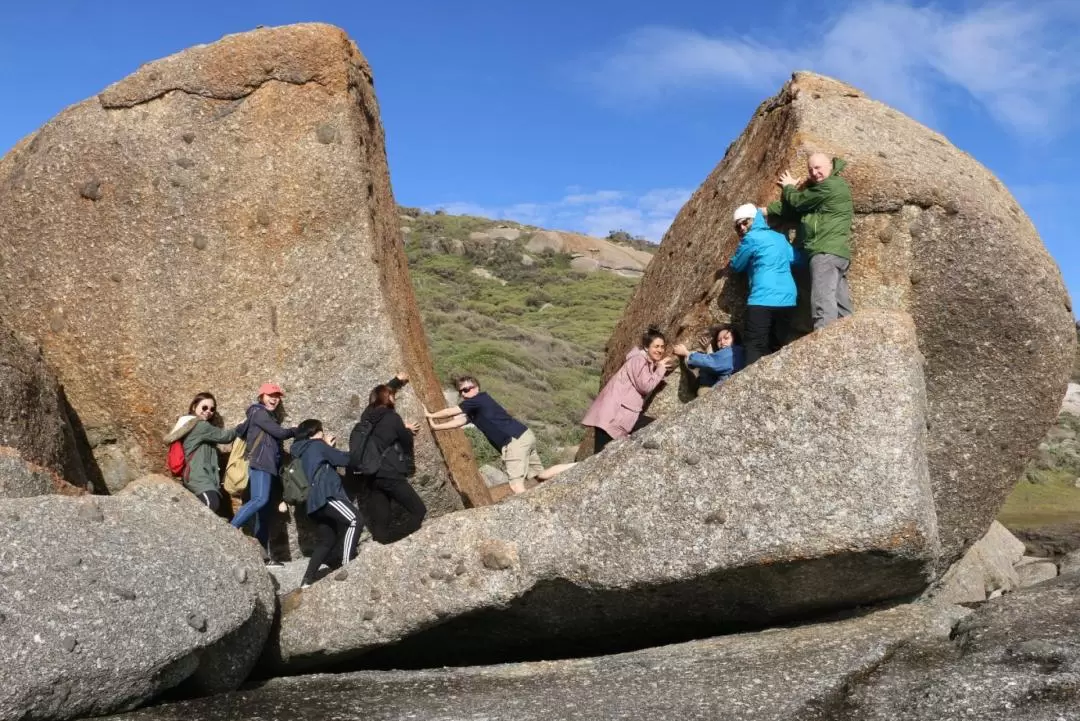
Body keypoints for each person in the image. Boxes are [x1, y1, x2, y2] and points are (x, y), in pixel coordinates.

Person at [426, 376, 576, 494]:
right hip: (524, 435)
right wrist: (435, 426)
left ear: (477, 387)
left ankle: (533, 515)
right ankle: (579, 466)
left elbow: (450, 412)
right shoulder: (476, 407)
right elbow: (457, 422)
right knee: (541, 476)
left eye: (469, 389)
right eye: (462, 391)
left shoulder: (478, 399)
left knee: (516, 485)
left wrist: (430, 414)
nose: (466, 393)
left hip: (513, 441)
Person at [764, 153, 854, 329]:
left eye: (818, 168)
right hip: (837, 253)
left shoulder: (830, 185)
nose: (814, 172)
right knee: (841, 304)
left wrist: (789, 187)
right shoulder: (823, 193)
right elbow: (797, 211)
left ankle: (825, 345)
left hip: (825, 252)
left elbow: (798, 201)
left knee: (823, 302)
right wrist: (767, 210)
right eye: (810, 169)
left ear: (829, 165)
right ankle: (850, 341)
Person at [353, 373, 427, 542]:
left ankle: (384, 539)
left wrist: (396, 382)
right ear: (390, 399)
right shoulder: (392, 418)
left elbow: (379, 396)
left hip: (372, 477)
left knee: (381, 524)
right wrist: (406, 430)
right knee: (418, 511)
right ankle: (401, 538)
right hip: (390, 474)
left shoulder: (367, 417)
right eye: (393, 397)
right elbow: (405, 441)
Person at [231, 382, 296, 565]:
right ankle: (230, 528)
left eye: (277, 396)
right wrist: (297, 430)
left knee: (264, 513)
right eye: (270, 395)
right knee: (259, 500)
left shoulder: (264, 415)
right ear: (261, 396)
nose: (274, 399)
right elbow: (280, 433)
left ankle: (263, 557)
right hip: (261, 463)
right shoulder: (258, 412)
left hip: (269, 466)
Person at [582, 325, 674, 454]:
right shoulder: (638, 360)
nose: (660, 350)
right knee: (597, 460)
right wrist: (661, 369)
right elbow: (645, 386)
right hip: (613, 416)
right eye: (656, 346)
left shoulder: (645, 362)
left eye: (662, 347)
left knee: (600, 459)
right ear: (647, 347)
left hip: (619, 415)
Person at [727, 203, 798, 366]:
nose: (742, 228)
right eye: (737, 226)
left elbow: (737, 265)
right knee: (777, 346)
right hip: (788, 299)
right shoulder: (780, 237)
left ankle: (752, 387)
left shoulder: (751, 239)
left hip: (762, 298)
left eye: (745, 222)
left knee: (755, 346)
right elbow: (794, 259)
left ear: (755, 220)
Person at [291, 419, 359, 589]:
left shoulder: (302, 450)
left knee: (327, 540)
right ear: (316, 432)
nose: (324, 433)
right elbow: (343, 459)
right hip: (326, 495)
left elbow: (321, 463)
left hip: (313, 504)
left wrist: (326, 448)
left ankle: (307, 580)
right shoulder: (317, 446)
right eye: (321, 430)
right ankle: (348, 563)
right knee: (356, 520)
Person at [163, 392, 244, 512]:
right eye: (204, 407)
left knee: (209, 506)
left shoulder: (191, 425)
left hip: (199, 476)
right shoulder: (199, 425)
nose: (208, 411)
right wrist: (242, 426)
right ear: (194, 407)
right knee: (211, 504)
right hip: (197, 476)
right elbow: (225, 436)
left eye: (212, 409)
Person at [672, 324, 745, 387]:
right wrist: (708, 349)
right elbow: (718, 365)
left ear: (735, 339)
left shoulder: (733, 352)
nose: (722, 342)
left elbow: (713, 362)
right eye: (719, 340)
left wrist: (686, 353)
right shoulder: (738, 353)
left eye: (726, 338)